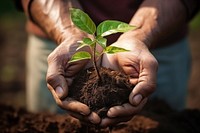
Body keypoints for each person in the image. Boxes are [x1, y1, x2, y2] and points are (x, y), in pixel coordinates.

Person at [18, 0, 199, 127]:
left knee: (164, 124)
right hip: (56, 37)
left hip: (161, 37)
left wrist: (138, 36)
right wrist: (69, 33)